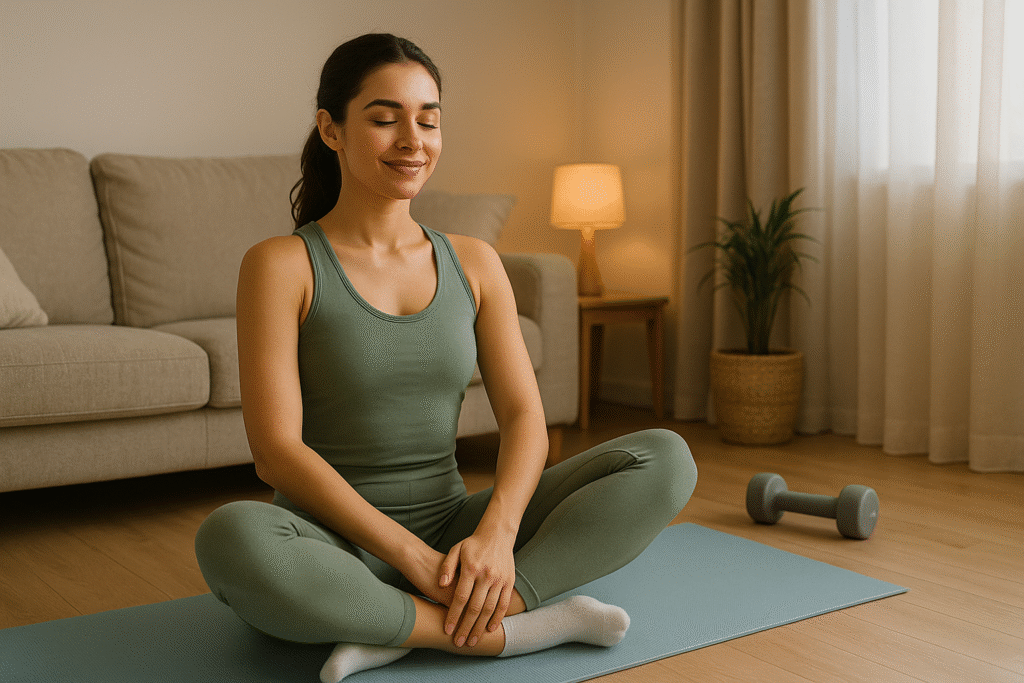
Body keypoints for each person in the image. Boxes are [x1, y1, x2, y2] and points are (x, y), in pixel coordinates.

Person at [194, 33, 698, 683]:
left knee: (664, 458)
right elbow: (276, 451)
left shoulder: (475, 261)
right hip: (331, 544)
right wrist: (413, 559)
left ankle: (407, 622)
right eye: (384, 118)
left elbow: (523, 418)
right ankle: (511, 629)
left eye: (428, 119)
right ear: (332, 129)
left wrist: (494, 534)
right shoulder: (280, 264)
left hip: (454, 531)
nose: (413, 139)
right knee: (228, 536)